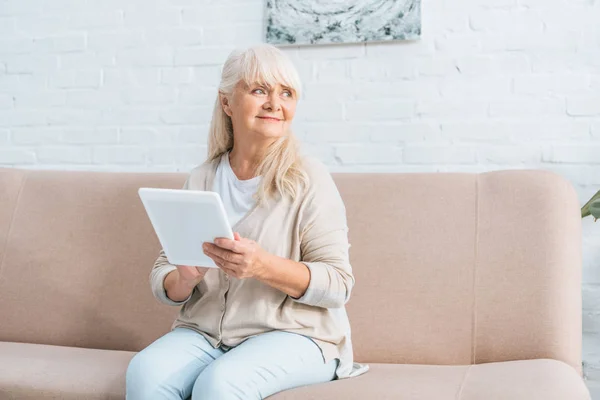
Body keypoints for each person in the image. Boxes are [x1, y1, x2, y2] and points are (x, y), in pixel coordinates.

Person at [126, 43, 369, 400]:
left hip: (297, 335)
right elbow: (166, 277)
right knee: (145, 374)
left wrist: (261, 266)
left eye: (286, 93)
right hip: (205, 334)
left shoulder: (310, 179)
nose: (274, 103)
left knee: (219, 384)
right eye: (259, 90)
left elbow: (338, 285)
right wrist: (186, 277)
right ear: (227, 103)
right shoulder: (202, 178)